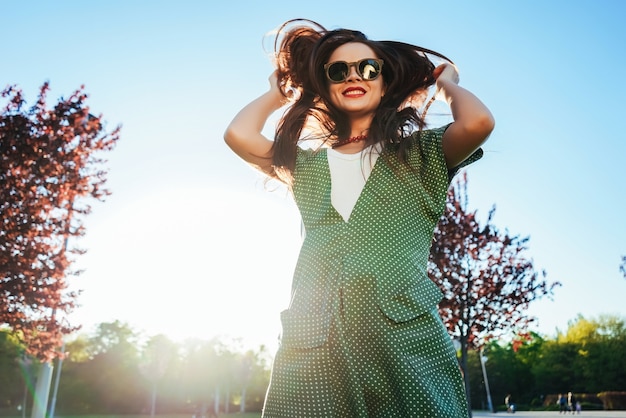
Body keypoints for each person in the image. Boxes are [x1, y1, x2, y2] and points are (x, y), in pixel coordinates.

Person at [224, 19, 495, 417]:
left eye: (368, 68)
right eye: (338, 70)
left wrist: (445, 86)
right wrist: (275, 94)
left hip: (404, 338)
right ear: (326, 87)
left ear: (385, 82)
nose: (354, 76)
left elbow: (477, 123)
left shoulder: (423, 154)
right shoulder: (303, 164)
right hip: (314, 342)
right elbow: (238, 135)